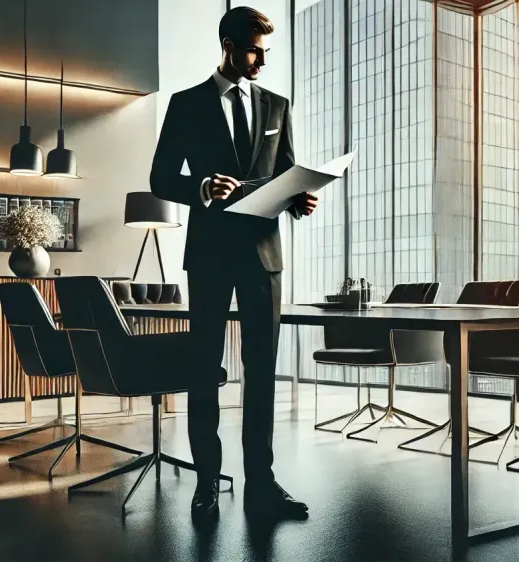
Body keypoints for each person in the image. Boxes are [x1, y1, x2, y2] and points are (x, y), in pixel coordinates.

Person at [149, 7, 318, 521]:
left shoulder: (277, 106)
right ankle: (206, 483)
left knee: (262, 371)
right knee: (204, 369)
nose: (261, 61)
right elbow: (160, 178)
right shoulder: (186, 104)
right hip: (210, 255)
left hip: (264, 257)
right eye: (253, 50)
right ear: (227, 44)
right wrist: (198, 188)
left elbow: (286, 172)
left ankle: (262, 484)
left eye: (266, 52)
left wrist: (300, 199)